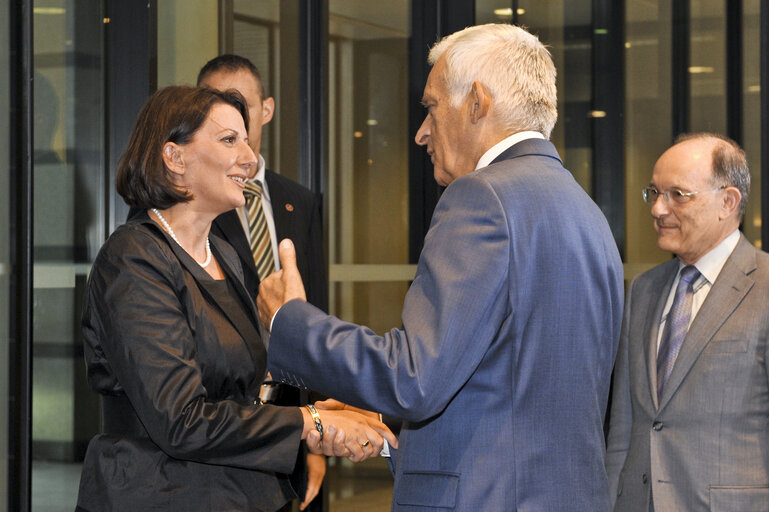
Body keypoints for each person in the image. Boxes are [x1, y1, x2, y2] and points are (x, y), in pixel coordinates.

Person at [258, 24, 623, 511]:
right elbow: (514, 394)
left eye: (430, 108)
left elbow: (414, 380)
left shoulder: (481, 196)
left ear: (476, 102)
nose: (421, 132)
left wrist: (291, 320)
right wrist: (391, 434)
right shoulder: (587, 212)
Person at [75, 85, 395, 512]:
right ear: (175, 158)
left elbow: (243, 394)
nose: (250, 157)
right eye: (230, 140)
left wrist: (320, 415)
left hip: (240, 492)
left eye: (246, 139)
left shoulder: (222, 254)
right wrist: (307, 422)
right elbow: (182, 420)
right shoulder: (133, 259)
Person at [605, 133, 769, 511]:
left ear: (727, 202)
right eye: (655, 193)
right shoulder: (644, 291)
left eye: (677, 195)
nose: (658, 210)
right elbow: (624, 429)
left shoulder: (762, 288)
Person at [196, 54, 329, 511]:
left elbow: (315, 316)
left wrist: (317, 430)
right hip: (221, 422)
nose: (231, 117)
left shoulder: (302, 201)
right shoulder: (193, 206)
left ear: (266, 110)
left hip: (292, 410)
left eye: (240, 106)